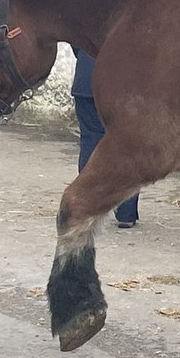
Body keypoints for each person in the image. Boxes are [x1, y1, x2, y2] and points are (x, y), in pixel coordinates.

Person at [71, 48, 139, 227]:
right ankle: (126, 213)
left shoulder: (90, 21)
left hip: (85, 83)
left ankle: (87, 208)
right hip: (120, 88)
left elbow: (76, 46)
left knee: (89, 141)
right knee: (128, 146)